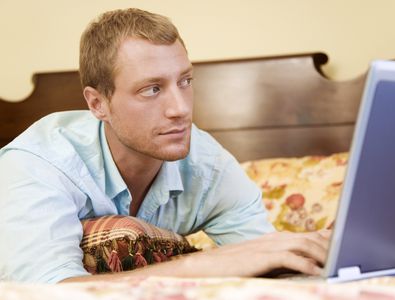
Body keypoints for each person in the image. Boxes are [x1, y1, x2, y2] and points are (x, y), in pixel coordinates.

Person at [0, 8, 330, 284]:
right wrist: (197, 267)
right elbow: (48, 293)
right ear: (98, 103)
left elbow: (265, 257)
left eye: (185, 81)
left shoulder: (207, 164)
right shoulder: (38, 163)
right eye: (152, 89)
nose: (181, 109)